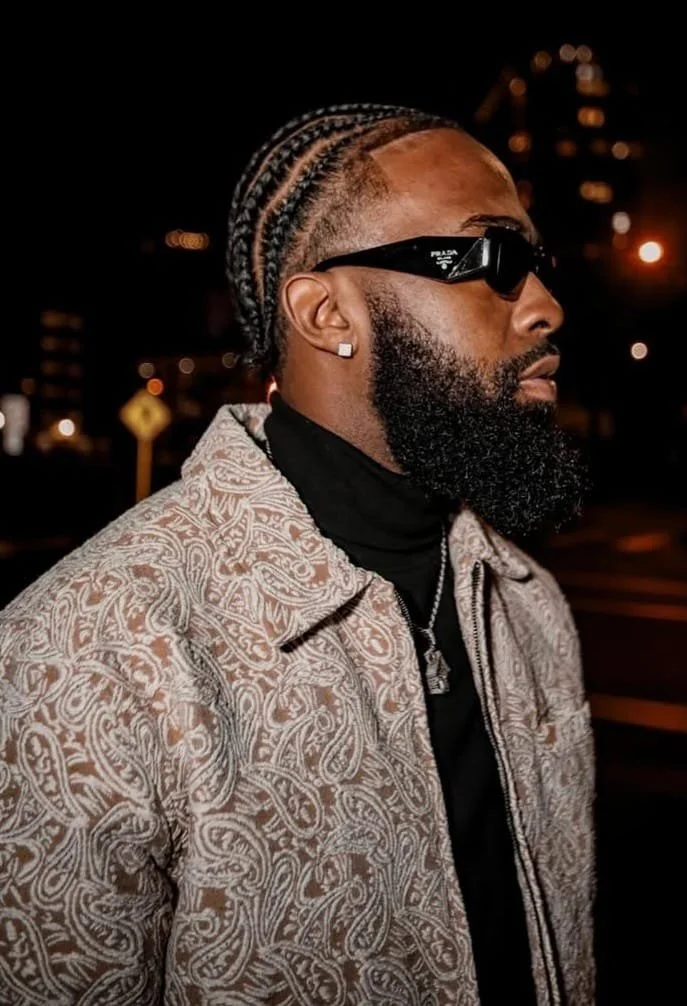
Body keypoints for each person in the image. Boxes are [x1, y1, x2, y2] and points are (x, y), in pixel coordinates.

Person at [0, 103, 595, 1005]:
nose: (546, 307)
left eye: (539, 267)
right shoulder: (87, 653)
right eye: (493, 262)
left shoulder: (528, 600)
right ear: (326, 312)